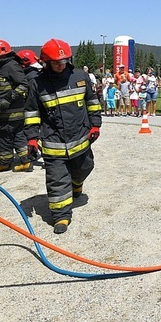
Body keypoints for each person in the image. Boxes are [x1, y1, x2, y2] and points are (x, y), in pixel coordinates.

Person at [24, 39, 102, 234]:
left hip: (80, 138)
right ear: (46, 62)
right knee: (57, 179)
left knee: (85, 167)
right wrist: (32, 138)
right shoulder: (37, 84)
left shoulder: (80, 76)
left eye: (64, 60)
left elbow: (92, 101)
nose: (61, 64)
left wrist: (95, 125)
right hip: (53, 141)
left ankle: (77, 184)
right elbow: (32, 113)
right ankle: (61, 216)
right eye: (56, 62)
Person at [0, 39, 30, 173]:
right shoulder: (3, 65)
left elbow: (24, 85)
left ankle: (4, 163)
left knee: (2, 136)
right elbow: (1, 86)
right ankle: (26, 161)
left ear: (1, 52)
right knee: (18, 136)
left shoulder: (11, 66)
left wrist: (8, 99)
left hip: (9, 112)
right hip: (12, 112)